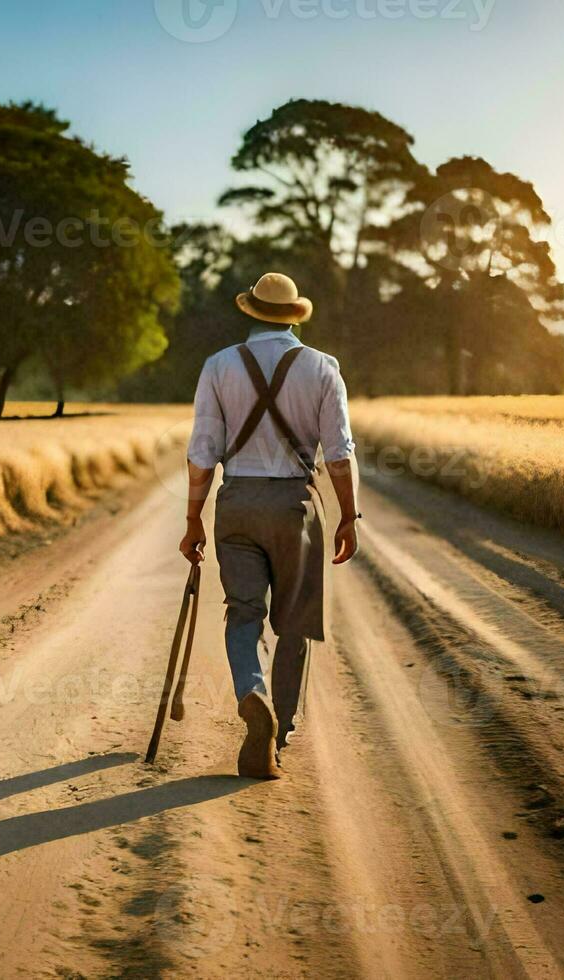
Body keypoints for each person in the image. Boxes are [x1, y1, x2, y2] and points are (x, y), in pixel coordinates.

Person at [179, 272, 360, 780]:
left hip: (236, 502)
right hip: (294, 506)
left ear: (252, 312)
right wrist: (349, 515)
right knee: (294, 625)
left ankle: (250, 692)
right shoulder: (324, 369)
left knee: (243, 614)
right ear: (294, 316)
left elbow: (201, 455)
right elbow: (340, 455)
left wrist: (193, 520)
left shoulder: (218, 366)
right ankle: (277, 734)